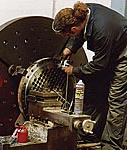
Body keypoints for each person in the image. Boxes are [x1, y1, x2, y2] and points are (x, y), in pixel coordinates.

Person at [52, 1, 127, 150]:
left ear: (72, 30)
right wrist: (70, 48)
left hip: (124, 55)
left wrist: (73, 70)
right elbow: (80, 34)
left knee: (116, 99)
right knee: (94, 89)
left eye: (67, 35)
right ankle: (89, 134)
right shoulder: (82, 12)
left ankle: (111, 145)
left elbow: (99, 65)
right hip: (110, 49)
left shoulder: (102, 30)